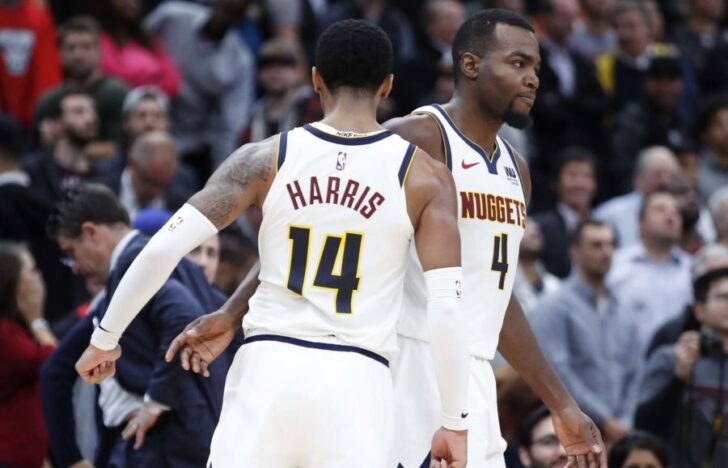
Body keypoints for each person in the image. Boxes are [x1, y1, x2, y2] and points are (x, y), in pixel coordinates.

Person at [180, 9, 606, 468]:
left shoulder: (515, 169)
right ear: (470, 66)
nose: (533, 80)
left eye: (536, 68)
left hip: (475, 375)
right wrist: (232, 311)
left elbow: (497, 302)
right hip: (409, 361)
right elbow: (320, 231)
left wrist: (562, 404)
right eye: (518, 64)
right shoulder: (414, 138)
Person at [75, 20, 472, 467]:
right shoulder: (427, 178)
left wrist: (106, 336)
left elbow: (162, 248)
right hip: (358, 382)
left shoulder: (264, 157)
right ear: (387, 86)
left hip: (268, 367)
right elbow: (448, 306)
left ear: (316, 79)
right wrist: (455, 420)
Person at [42, 184, 234, 468]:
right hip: (200, 430)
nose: (74, 266)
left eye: (71, 252)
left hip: (169, 440)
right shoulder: (181, 264)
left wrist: (156, 401)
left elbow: (184, 317)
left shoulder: (134, 263)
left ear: (90, 233)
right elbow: (233, 324)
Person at [531, 221, 640, 448]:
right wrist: (604, 419)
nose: (606, 252)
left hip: (620, 434)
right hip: (570, 432)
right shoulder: (553, 306)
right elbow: (557, 371)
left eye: (610, 245)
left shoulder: (624, 310)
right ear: (575, 253)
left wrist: (625, 421)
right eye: (596, 245)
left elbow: (634, 371)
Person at [636, 268, 728, 466]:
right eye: (723, 297)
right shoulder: (670, 359)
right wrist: (678, 378)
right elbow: (643, 425)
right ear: (699, 310)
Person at [607, 190, 693, 351]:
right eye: (660, 209)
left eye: (676, 212)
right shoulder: (614, 264)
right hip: (623, 363)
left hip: (678, 366)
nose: (670, 216)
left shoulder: (692, 270)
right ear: (641, 223)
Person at [34, 16, 129, 156]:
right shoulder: (48, 101)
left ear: (100, 52)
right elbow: (34, 152)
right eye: (70, 48)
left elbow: (118, 148)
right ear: (60, 53)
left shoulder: (116, 94)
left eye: (86, 47)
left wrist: (65, 145)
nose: (78, 55)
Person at [0, 242, 56, 468]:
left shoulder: (11, 330)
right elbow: (54, 364)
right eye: (32, 270)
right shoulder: (5, 337)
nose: (38, 278)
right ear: (18, 284)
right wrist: (36, 319)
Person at [533, 147, 598, 278]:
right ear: (555, 183)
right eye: (572, 175)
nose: (580, 184)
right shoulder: (539, 227)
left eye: (587, 176)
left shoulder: (605, 223)